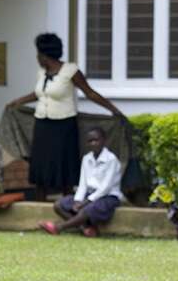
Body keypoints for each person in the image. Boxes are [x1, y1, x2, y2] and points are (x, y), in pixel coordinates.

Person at [9, 33, 125, 202]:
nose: (36, 57)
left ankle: (68, 203)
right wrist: (18, 102)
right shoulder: (42, 72)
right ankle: (40, 204)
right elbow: (40, 93)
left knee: (64, 166)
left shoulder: (71, 71)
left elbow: (90, 93)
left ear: (44, 55)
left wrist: (114, 110)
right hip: (42, 124)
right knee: (41, 165)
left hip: (63, 126)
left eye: (38, 53)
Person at [39, 128, 123, 237]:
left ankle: (59, 227)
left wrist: (85, 202)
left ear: (104, 141)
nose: (93, 143)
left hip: (108, 197)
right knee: (59, 205)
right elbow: (83, 183)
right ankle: (86, 229)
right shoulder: (87, 158)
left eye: (96, 140)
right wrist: (78, 201)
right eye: (90, 141)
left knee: (87, 210)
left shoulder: (111, 160)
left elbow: (105, 188)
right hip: (88, 195)